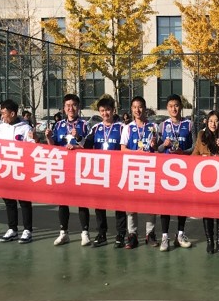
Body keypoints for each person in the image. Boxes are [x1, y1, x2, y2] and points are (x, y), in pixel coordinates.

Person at [45, 93, 91, 246]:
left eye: (74, 105)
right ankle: (63, 232)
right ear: (64, 108)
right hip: (63, 167)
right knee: (62, 201)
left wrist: (77, 141)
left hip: (79, 168)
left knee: (81, 200)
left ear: (78, 107)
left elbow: (89, 146)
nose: (71, 108)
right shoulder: (58, 125)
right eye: (68, 105)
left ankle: (85, 233)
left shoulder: (84, 125)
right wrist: (49, 137)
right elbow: (53, 146)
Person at [83, 96, 125, 248]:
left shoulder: (122, 128)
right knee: (99, 204)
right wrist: (75, 142)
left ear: (113, 110)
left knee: (119, 204)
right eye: (102, 110)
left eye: (108, 110)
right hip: (100, 172)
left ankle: (121, 234)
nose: (105, 113)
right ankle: (102, 234)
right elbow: (86, 146)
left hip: (117, 172)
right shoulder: (96, 128)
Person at [0, 99, 35, 244]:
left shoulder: (25, 128)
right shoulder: (1, 127)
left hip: (21, 170)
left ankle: (27, 230)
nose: (2, 116)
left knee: (24, 201)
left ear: (12, 113)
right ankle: (12, 229)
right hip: (6, 170)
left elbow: (32, 146)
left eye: (4, 113)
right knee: (9, 200)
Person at [156, 94, 194, 252]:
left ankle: (180, 234)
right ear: (167, 108)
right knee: (165, 205)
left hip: (183, 171)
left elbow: (194, 147)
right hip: (166, 172)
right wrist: (164, 145)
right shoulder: (162, 125)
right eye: (171, 106)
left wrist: (183, 152)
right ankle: (165, 236)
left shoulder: (189, 124)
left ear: (181, 107)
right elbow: (157, 149)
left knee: (181, 204)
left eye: (176, 105)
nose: (174, 109)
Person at [120, 96, 158, 249]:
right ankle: (132, 235)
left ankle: (150, 234)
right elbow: (123, 149)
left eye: (140, 106)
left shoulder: (153, 126)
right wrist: (137, 153)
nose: (137, 110)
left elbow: (158, 148)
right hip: (133, 169)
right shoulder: (127, 128)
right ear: (131, 109)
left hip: (149, 169)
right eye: (134, 107)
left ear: (145, 108)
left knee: (150, 204)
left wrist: (155, 145)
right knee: (131, 204)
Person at [192, 111, 219, 253]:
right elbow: (195, 154)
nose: (213, 124)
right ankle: (210, 241)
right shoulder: (202, 135)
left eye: (216, 121)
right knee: (207, 210)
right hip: (206, 180)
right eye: (210, 121)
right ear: (206, 122)